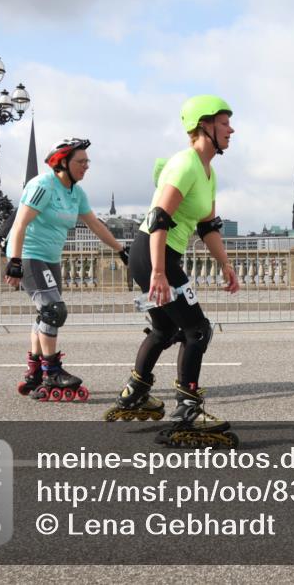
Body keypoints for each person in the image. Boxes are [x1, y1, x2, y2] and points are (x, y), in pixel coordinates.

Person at [105, 95, 240, 438]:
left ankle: (135, 394)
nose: (231, 129)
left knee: (166, 330)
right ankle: (188, 409)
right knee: (197, 330)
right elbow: (158, 218)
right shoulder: (185, 164)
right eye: (224, 123)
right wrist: (159, 273)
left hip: (157, 257)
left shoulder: (209, 173)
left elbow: (208, 227)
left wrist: (225, 264)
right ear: (204, 126)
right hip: (154, 255)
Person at [4, 138, 129, 401]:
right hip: (29, 255)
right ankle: (51, 372)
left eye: (87, 162)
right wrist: (15, 262)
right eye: (80, 162)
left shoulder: (76, 193)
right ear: (62, 163)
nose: (86, 166)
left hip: (51, 258)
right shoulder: (42, 185)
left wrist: (120, 250)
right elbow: (19, 225)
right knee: (53, 310)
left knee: (45, 313)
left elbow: (95, 225)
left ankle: (34, 371)